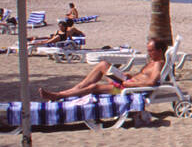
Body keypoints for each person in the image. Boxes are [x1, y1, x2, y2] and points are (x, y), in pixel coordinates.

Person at [38, 38, 167, 100]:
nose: (148, 53)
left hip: (130, 89)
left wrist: (129, 83)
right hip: (128, 82)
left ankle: (59, 95)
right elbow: (145, 77)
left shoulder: (158, 63)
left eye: (151, 50)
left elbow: (151, 82)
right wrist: (130, 75)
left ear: (159, 50)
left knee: (94, 87)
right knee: (103, 64)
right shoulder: (153, 61)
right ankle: (73, 90)